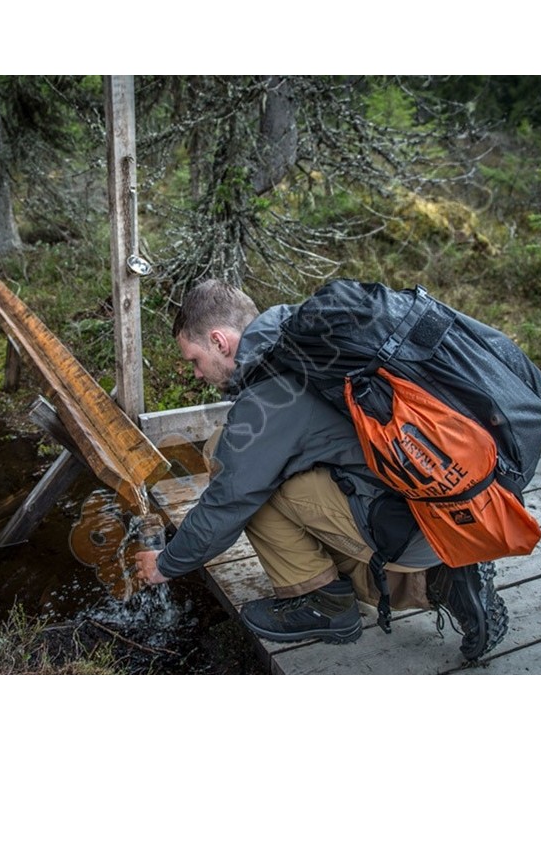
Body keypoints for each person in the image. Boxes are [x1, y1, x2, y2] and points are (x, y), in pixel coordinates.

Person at [133, 279, 507, 659]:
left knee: (243, 475)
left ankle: (329, 602)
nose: (196, 374)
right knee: (236, 452)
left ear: (219, 341)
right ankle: (436, 579)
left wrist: (166, 564)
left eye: (194, 360)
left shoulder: (273, 390)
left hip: (410, 528)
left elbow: (227, 501)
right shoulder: (305, 345)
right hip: (442, 503)